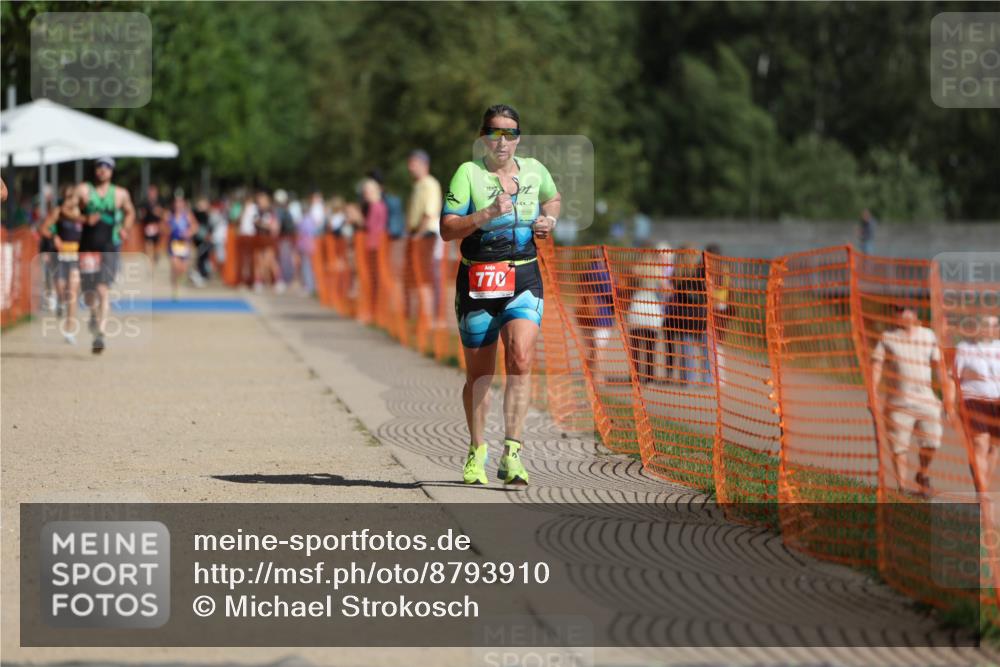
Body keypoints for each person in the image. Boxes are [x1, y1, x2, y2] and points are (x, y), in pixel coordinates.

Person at [440, 104, 561, 486]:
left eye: (509, 133)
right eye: (494, 132)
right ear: (483, 137)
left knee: (521, 358)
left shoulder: (535, 171)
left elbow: (552, 198)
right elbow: (447, 229)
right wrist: (487, 213)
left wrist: (549, 219)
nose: (502, 140)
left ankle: (513, 453)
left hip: (523, 274)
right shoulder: (468, 173)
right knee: (480, 376)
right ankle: (477, 450)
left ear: (519, 137)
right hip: (478, 280)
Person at [871, 304, 951, 497]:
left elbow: (939, 366)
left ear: (915, 313)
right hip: (898, 403)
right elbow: (876, 366)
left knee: (932, 442)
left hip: (926, 400)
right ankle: (902, 489)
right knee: (899, 447)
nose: (902, 314)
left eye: (906, 309)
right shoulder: (887, 337)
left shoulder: (928, 336)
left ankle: (922, 474)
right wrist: (872, 394)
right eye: (898, 310)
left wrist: (947, 396)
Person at [75, 157, 135, 354]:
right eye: (99, 167)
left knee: (103, 288)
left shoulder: (120, 194)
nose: (102, 170)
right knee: (89, 292)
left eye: (106, 167)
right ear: (95, 170)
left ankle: (100, 334)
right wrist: (84, 218)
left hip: (109, 246)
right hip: (87, 247)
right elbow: (66, 210)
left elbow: (130, 212)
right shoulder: (83, 190)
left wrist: (125, 228)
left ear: (112, 171)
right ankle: (93, 315)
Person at [953, 315, 1000, 491]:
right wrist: (949, 403)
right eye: (985, 324)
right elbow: (954, 378)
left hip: (996, 402)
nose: (989, 329)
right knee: (980, 444)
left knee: (994, 447)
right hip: (973, 400)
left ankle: (982, 490)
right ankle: (983, 495)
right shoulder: (965, 348)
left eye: (993, 325)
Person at [38, 185, 85, 344]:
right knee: (62, 290)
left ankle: (69, 331)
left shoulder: (81, 214)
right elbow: (43, 228)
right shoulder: (58, 212)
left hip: (76, 258)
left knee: (72, 293)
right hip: (60, 257)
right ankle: (60, 303)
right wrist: (54, 237)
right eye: (67, 198)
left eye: (72, 198)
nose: (70, 201)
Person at [406, 149, 444, 330]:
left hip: (426, 234)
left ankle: (431, 318)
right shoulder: (418, 185)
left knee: (427, 276)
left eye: (414, 163)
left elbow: (428, 214)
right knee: (422, 277)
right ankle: (424, 316)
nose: (410, 167)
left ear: (424, 165)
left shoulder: (429, 185)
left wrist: (417, 235)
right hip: (420, 233)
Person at [166, 193, 199, 300]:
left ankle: (179, 281)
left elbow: (195, 226)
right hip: (173, 244)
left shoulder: (187, 215)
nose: (178, 205)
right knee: (175, 266)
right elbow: (162, 228)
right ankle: (175, 290)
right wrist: (167, 230)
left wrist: (188, 232)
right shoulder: (169, 215)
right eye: (176, 203)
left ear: (183, 204)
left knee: (183, 268)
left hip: (184, 244)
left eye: (180, 203)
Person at [138, 185, 166, 266]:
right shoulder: (145, 203)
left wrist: (158, 211)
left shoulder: (160, 202)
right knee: (148, 244)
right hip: (148, 227)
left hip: (157, 227)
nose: (151, 194)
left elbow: (164, 214)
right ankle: (150, 262)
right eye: (150, 192)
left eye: (153, 192)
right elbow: (141, 215)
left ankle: (155, 257)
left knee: (157, 246)